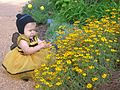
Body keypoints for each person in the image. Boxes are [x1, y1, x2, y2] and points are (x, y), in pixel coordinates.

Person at [2, 13, 55, 81]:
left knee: (44, 60)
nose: (33, 32)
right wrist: (39, 47)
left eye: (34, 30)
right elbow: (27, 51)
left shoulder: (34, 36)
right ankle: (25, 74)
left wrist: (45, 45)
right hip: (24, 57)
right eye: (30, 30)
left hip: (35, 54)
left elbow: (40, 42)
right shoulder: (22, 40)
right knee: (26, 67)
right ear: (22, 30)